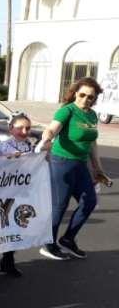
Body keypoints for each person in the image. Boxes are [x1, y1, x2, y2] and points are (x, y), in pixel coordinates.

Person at [39, 77, 108, 260]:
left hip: (80, 164)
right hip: (61, 162)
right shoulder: (67, 110)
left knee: (89, 202)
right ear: (75, 93)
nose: (85, 99)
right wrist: (46, 138)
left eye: (90, 97)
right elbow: (52, 128)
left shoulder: (92, 115)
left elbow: (92, 141)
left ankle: (68, 239)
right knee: (59, 206)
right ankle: (49, 244)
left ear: (95, 99)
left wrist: (97, 168)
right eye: (82, 94)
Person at [0, 112, 37, 277]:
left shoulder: (29, 146)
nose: (24, 131)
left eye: (28, 128)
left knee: (16, 225)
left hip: (21, 192)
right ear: (11, 129)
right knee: (1, 225)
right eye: (20, 128)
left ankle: (8, 259)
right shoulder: (3, 146)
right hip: (3, 193)